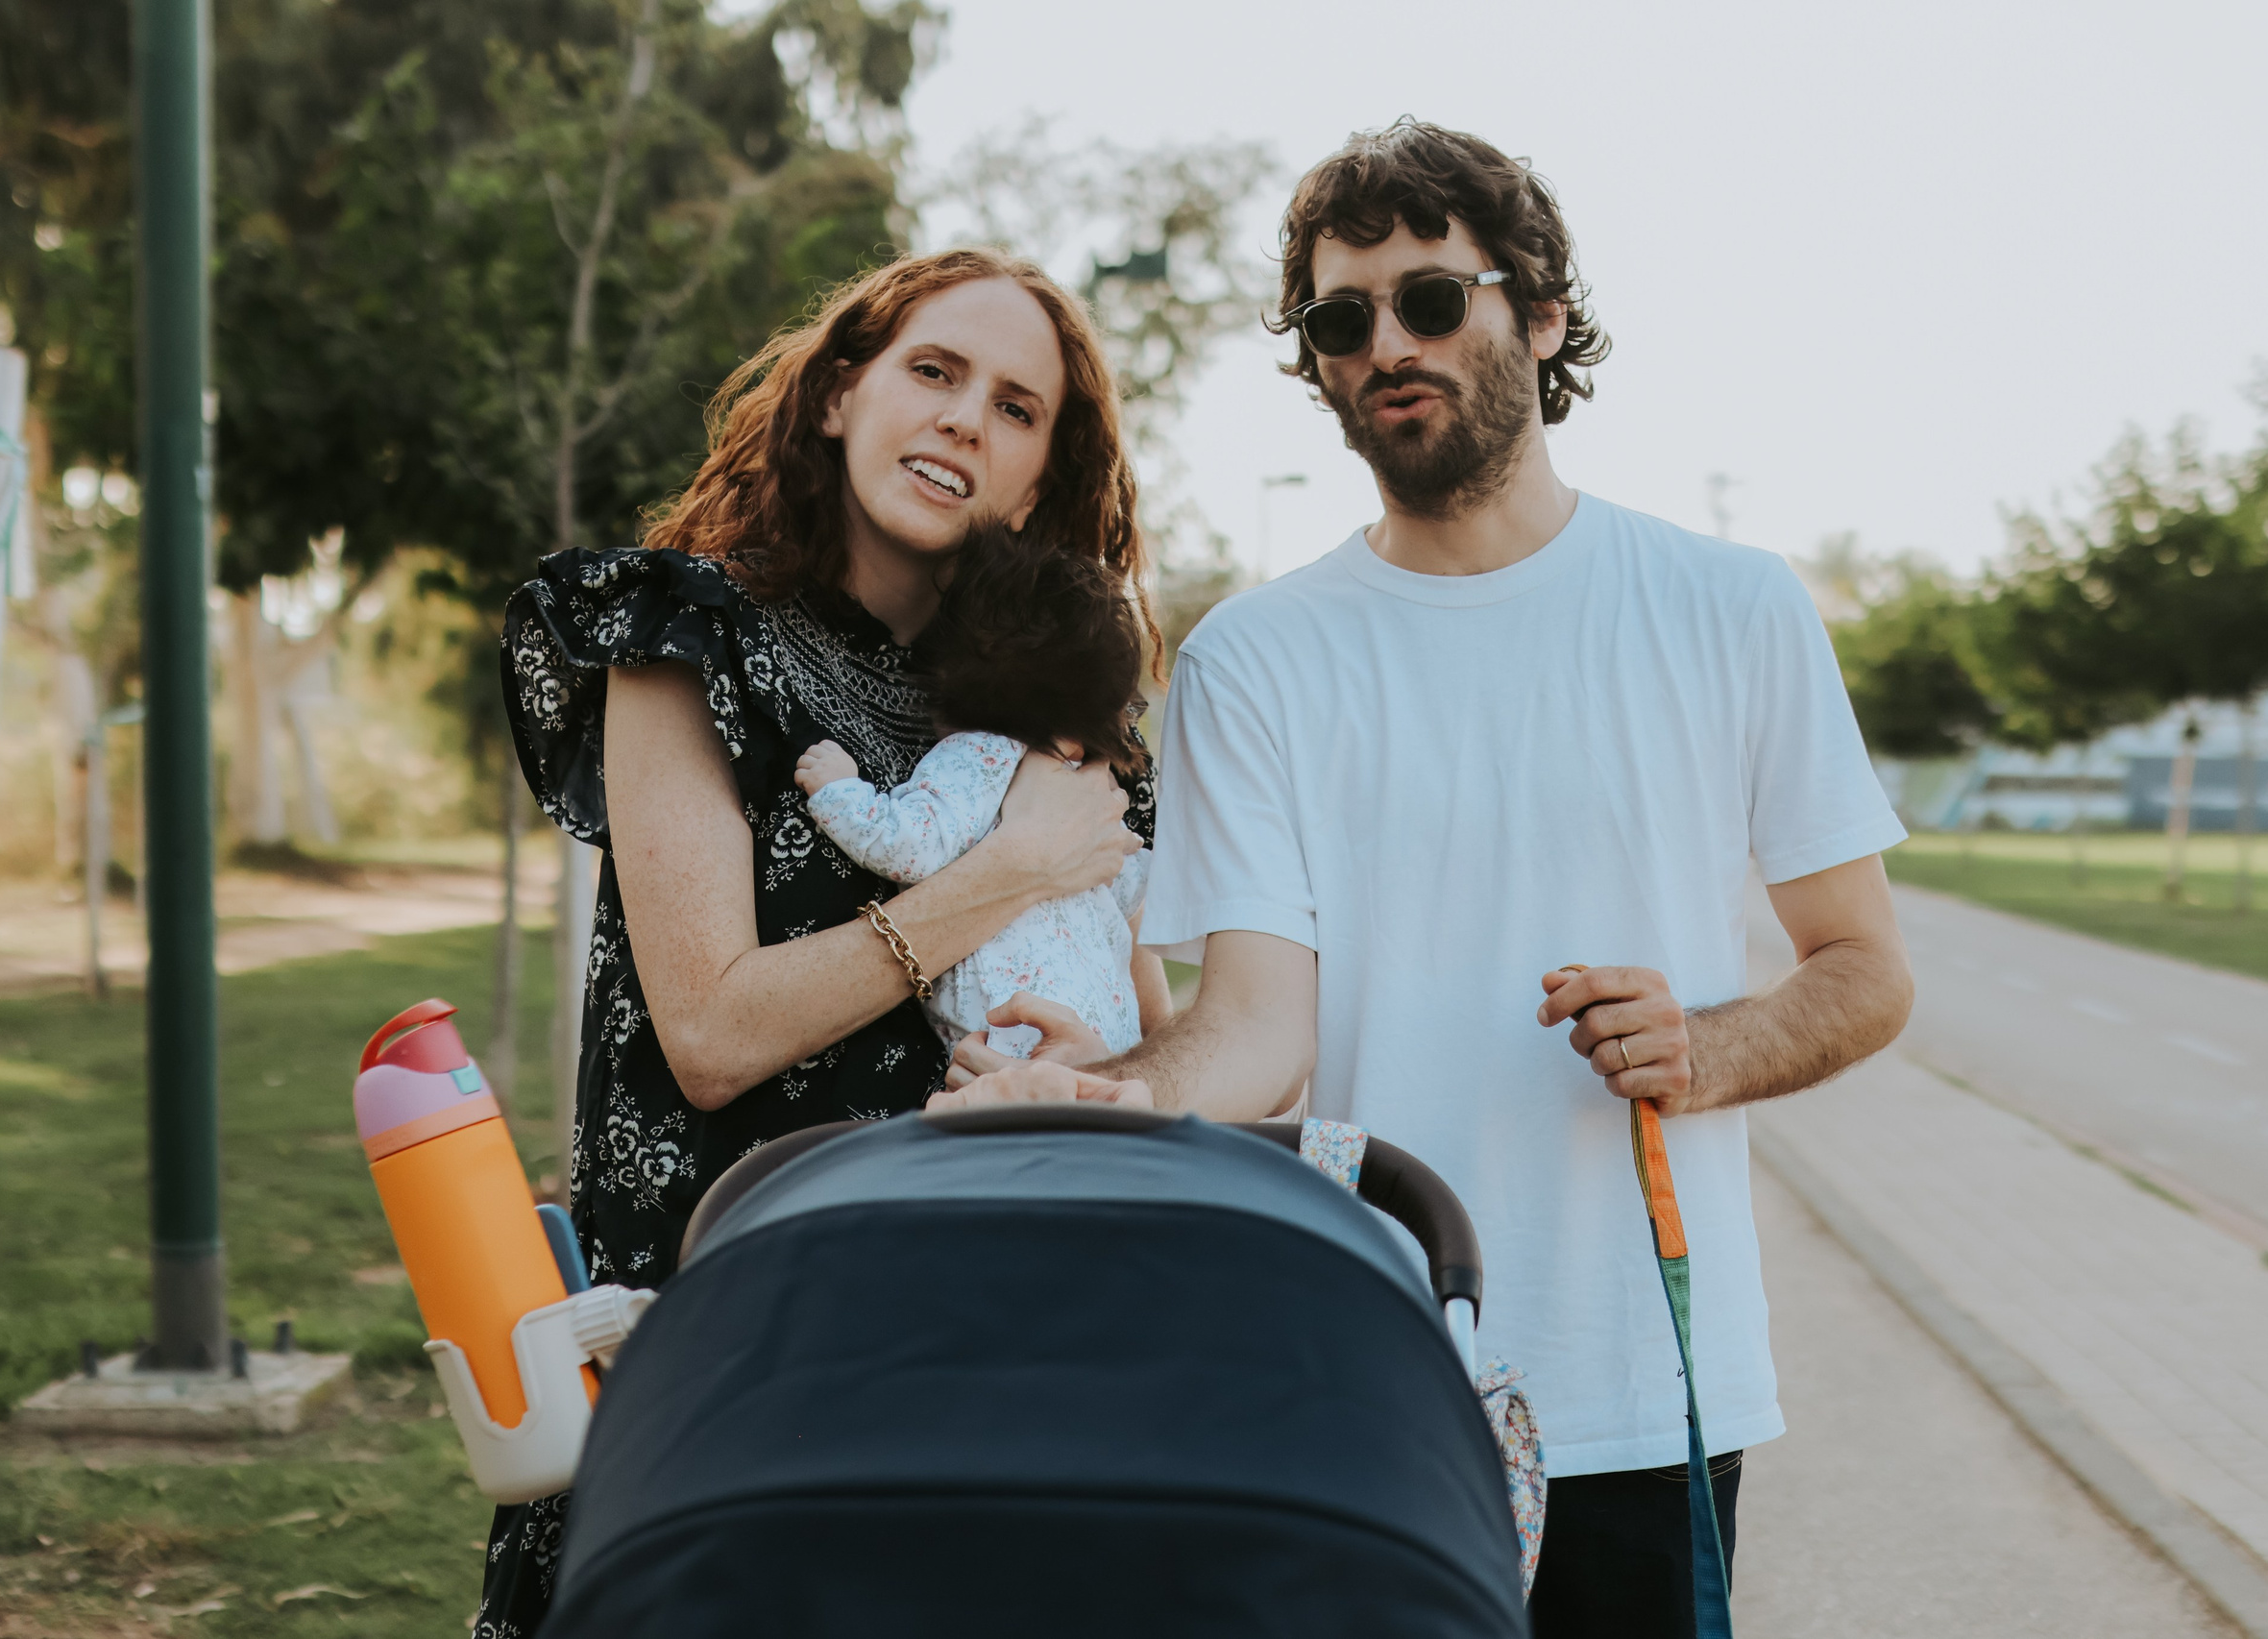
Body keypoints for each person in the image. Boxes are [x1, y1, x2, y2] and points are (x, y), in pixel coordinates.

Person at [939, 120, 1916, 1638]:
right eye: (1342, 321)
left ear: (1543, 315)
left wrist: (1706, 1045)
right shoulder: (1255, 657)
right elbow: (1259, 1027)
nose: (1387, 343)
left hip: (1643, 1397)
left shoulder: (1731, 608)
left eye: (1433, 299)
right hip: (1359, 1385)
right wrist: (1105, 1090)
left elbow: (1865, 968)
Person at [478, 248, 1157, 1637]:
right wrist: (1008, 870)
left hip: (973, 1334)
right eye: (934, 370)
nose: (965, 417)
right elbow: (712, 1032)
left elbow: (1141, 1023)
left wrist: (1084, 1070)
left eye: (1017, 407)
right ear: (841, 394)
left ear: (1039, 481)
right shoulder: (690, 636)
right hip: (728, 1330)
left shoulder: (1049, 712)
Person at [794, 521, 1167, 1058]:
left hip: (1015, 1034)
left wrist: (839, 789)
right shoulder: (1084, 784)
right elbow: (1130, 884)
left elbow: (910, 845)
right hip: (1105, 1039)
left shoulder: (979, 755)